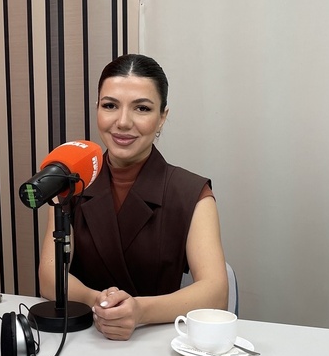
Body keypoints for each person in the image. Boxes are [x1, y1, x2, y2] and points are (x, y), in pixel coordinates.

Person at [38, 54, 228, 340]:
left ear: (162, 117)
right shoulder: (70, 183)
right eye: (110, 105)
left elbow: (216, 293)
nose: (123, 122)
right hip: (84, 339)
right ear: (97, 109)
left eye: (142, 108)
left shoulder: (192, 193)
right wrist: (101, 303)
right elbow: (49, 277)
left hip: (159, 341)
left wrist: (140, 311)